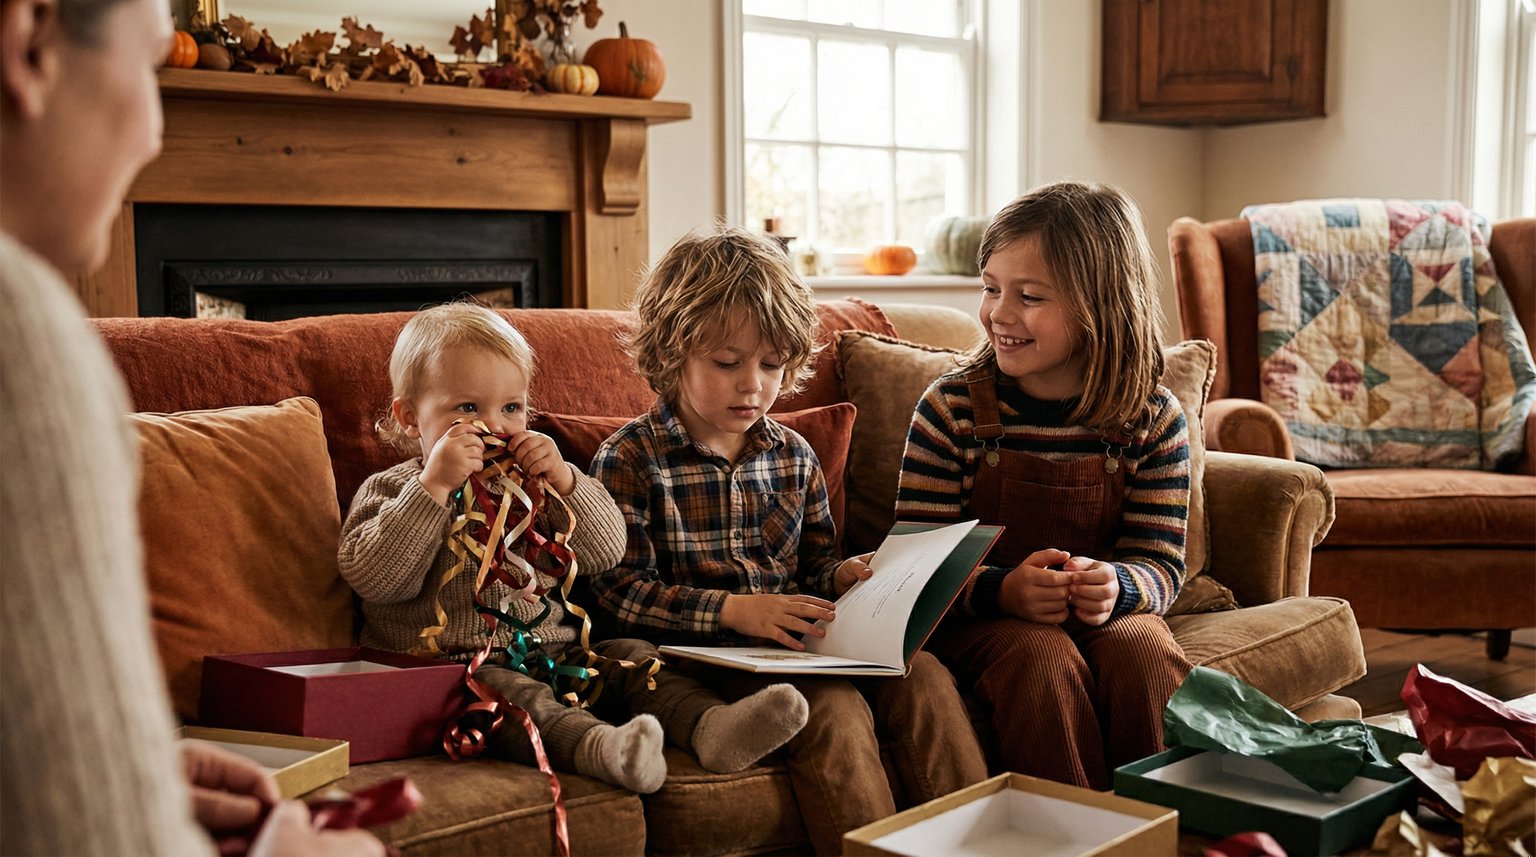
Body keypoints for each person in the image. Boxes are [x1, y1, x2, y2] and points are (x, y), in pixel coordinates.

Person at [0, 0, 382, 854]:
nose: (152, 133)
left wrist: (131, 768)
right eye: (148, 67)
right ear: (28, 41)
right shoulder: (17, 335)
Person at [589, 227, 988, 854]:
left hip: (794, 645)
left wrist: (842, 577)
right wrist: (732, 610)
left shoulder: (794, 455)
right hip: (702, 659)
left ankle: (981, 843)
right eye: (728, 363)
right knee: (830, 708)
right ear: (672, 352)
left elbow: (813, 565)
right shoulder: (631, 458)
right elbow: (616, 594)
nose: (753, 385)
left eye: (772, 365)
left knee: (926, 674)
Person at [338, 302, 809, 794]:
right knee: (513, 695)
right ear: (410, 418)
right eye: (468, 408)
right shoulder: (394, 489)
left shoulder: (535, 489)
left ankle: (709, 726)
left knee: (632, 656)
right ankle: (603, 750)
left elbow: (607, 550)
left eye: (512, 408)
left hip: (556, 653)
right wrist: (434, 487)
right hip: (452, 672)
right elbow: (377, 579)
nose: (496, 427)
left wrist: (565, 480)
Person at [895, 180, 1195, 791]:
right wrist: (1005, 592)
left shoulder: (1152, 417)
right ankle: (1068, 830)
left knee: (1144, 650)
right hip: (985, 620)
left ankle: (1170, 826)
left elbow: (1161, 564)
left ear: (1099, 306)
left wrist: (1118, 586)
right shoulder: (950, 409)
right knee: (1040, 657)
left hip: (1103, 615)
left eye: (1029, 296)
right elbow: (914, 572)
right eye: (990, 288)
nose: (999, 313)